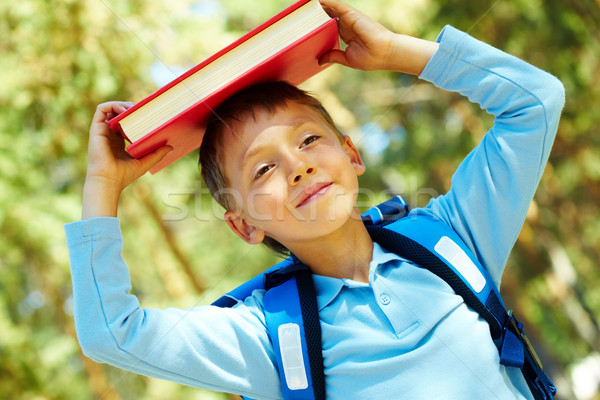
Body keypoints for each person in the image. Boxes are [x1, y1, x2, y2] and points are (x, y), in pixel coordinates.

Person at [64, 0, 565, 398]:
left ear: (352, 156)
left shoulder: (453, 237)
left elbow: (535, 103)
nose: (298, 166)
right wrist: (102, 186)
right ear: (244, 226)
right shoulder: (268, 339)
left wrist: (394, 51)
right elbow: (112, 332)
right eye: (263, 169)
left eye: (308, 141)